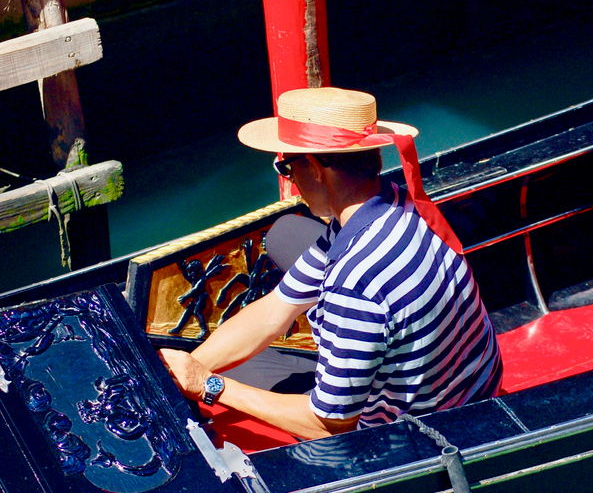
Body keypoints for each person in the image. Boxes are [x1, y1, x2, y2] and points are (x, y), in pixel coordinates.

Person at [158, 87, 502, 441]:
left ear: (316, 168)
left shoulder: (353, 286)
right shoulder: (395, 201)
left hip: (418, 434)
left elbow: (328, 425)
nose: (290, 183)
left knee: (247, 371)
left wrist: (208, 386)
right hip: (476, 384)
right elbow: (274, 309)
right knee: (286, 234)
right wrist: (180, 373)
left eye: (287, 167)